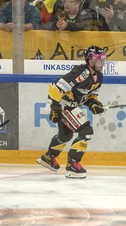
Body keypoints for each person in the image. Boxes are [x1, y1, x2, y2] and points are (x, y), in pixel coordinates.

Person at [37, 45, 107, 179]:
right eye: (100, 60)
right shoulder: (82, 72)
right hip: (64, 105)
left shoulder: (99, 77)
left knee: (65, 135)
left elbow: (89, 96)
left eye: (103, 60)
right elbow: (56, 87)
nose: (103, 63)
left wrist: (94, 104)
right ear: (91, 61)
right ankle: (72, 164)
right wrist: (55, 107)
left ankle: (48, 157)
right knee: (86, 132)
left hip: (72, 105)